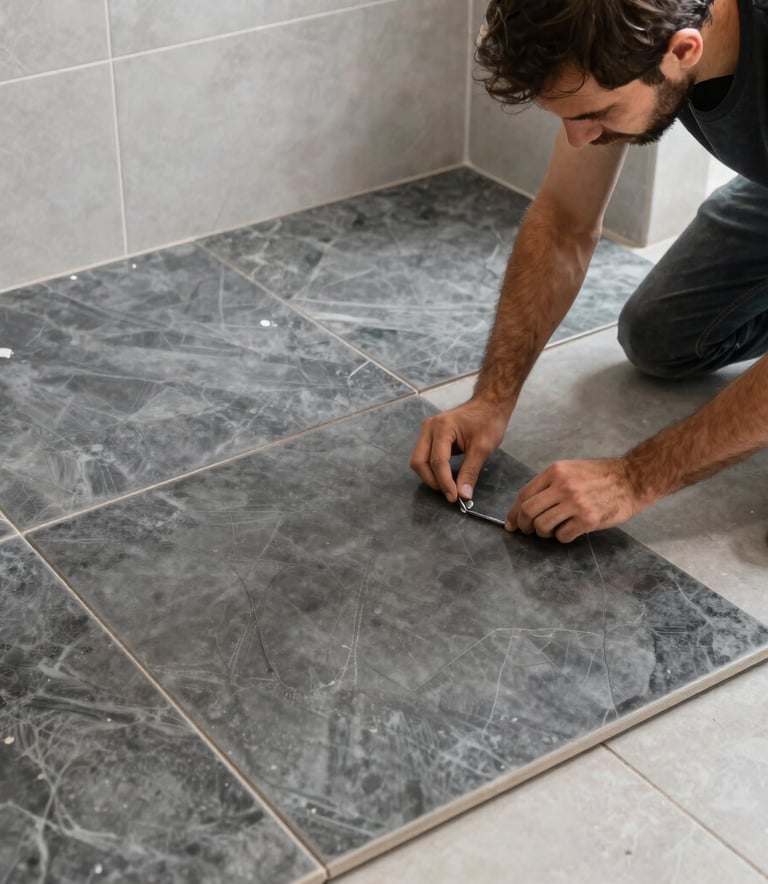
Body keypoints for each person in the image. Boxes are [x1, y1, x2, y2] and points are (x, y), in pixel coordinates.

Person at [410, 0, 768, 543]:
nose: (580, 138)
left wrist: (633, 479)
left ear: (684, 51)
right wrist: (491, 399)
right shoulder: (626, 26)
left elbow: (634, 482)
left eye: (595, 114)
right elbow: (565, 218)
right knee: (661, 337)